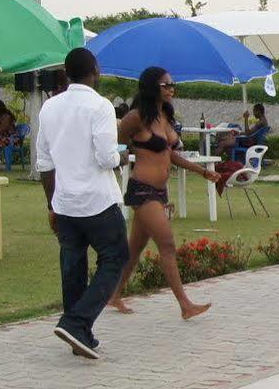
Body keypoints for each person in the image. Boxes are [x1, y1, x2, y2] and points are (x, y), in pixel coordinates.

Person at [35, 47, 127, 360]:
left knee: (72, 267)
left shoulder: (49, 108)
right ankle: (76, 322)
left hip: (64, 202)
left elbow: (44, 163)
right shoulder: (100, 106)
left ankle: (79, 334)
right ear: (95, 72)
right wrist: (122, 156)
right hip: (98, 201)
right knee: (114, 258)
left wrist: (51, 204)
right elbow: (105, 157)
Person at [106, 67, 214, 321]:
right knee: (166, 243)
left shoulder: (164, 116)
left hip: (159, 190)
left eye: (172, 84)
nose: (171, 88)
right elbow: (116, 145)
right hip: (143, 190)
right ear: (153, 86)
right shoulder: (136, 117)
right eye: (166, 85)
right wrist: (117, 162)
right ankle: (185, 305)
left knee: (135, 248)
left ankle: (114, 295)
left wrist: (202, 171)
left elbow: (171, 154)